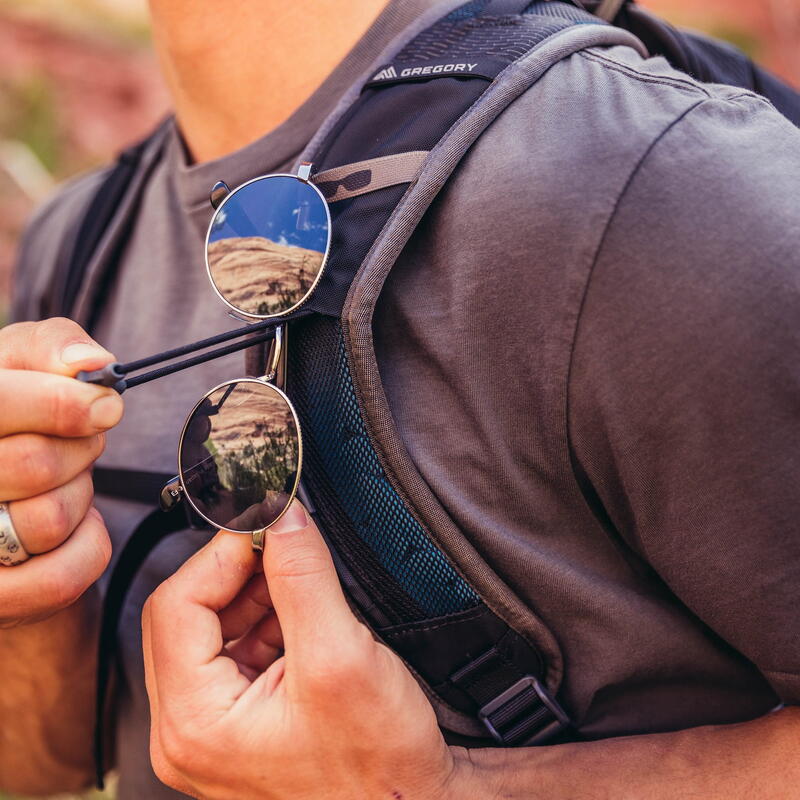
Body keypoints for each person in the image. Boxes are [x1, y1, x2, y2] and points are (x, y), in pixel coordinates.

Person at [2, 0, 800, 797]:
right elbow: (58, 755)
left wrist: (453, 789)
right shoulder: (81, 242)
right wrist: (27, 588)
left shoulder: (649, 184)